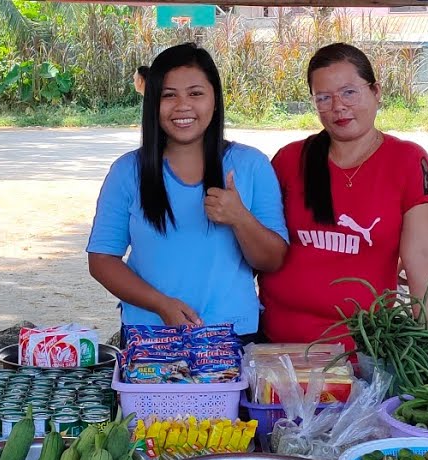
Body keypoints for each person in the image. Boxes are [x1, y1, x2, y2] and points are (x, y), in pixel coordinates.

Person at [87, 43, 287, 341]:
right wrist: (160, 304)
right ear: (152, 103)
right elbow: (102, 259)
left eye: (195, 93)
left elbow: (272, 261)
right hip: (150, 337)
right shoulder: (127, 171)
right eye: (168, 95)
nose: (182, 106)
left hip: (233, 335)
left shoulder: (251, 164)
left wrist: (239, 218)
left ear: (215, 100)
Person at [260, 43, 428, 345]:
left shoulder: (408, 161)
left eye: (349, 92)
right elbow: (261, 246)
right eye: (324, 98)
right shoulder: (289, 159)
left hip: (365, 349)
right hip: (279, 348)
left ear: (376, 91)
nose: (338, 106)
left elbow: (425, 258)